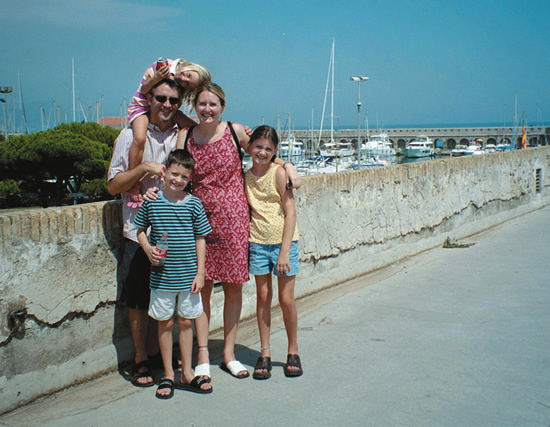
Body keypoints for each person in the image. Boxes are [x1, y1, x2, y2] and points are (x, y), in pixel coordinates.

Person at [176, 83, 301, 379]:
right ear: (195, 106)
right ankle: (204, 354)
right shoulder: (186, 137)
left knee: (233, 288)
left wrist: (288, 164)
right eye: (202, 103)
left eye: (213, 104)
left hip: (233, 218)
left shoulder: (235, 131)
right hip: (199, 218)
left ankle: (229, 354)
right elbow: (177, 171)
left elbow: (264, 152)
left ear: (222, 106)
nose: (207, 109)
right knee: (202, 287)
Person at [107, 78, 186, 388]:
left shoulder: (182, 137)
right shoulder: (129, 136)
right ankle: (140, 359)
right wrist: (143, 169)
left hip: (171, 235)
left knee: (166, 297)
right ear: (149, 99)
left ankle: (158, 355)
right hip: (136, 235)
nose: (167, 105)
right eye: (161, 98)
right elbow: (113, 185)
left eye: (173, 100)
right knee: (138, 300)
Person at [134, 149, 213, 399]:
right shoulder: (152, 201)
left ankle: (187, 372)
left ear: (190, 179)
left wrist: (200, 273)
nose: (178, 180)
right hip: (162, 276)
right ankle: (168, 373)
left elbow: (201, 238)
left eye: (184, 176)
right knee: (165, 322)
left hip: (188, 275)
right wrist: (147, 249)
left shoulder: (194, 204)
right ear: (164, 172)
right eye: (174, 174)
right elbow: (140, 230)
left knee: (187, 322)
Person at [244, 125, 303, 380]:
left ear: (275, 151)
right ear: (249, 148)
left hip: (283, 244)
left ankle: (293, 350)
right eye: (258, 146)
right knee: (263, 297)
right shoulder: (245, 176)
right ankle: (265, 352)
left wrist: (284, 251)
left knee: (286, 299)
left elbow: (291, 212)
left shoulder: (279, 174)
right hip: (257, 242)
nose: (262, 152)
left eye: (268, 149)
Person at [126, 58, 211, 206]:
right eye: (188, 76)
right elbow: (144, 90)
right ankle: (133, 181)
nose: (183, 79)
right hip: (141, 108)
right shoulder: (163, 66)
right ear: (189, 67)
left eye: (187, 84)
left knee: (194, 129)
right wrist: (157, 78)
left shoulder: (178, 87)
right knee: (139, 139)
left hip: (159, 110)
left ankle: (211, 134)